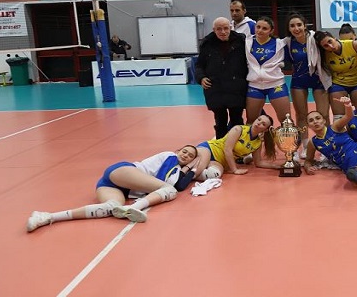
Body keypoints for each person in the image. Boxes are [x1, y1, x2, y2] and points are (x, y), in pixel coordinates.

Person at [26, 145, 202, 232]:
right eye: (184, 151)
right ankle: (135, 208)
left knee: (109, 208)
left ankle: (48, 216)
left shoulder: (177, 170)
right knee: (169, 190)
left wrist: (188, 169)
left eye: (190, 156)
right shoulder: (170, 156)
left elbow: (180, 185)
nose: (185, 155)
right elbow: (168, 184)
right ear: (178, 150)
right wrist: (188, 169)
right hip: (123, 172)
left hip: (119, 188)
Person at [283, 13, 331, 159]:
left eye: (299, 25)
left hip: (318, 79)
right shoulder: (288, 43)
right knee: (301, 115)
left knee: (323, 115)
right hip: (299, 80)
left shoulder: (315, 38)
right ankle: (304, 146)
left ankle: (327, 146)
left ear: (305, 26)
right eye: (292, 26)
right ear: (289, 28)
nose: (296, 28)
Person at [195, 17, 248, 138]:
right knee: (220, 122)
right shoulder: (206, 44)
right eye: (219, 29)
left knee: (237, 120)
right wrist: (201, 78)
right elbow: (199, 65)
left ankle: (238, 146)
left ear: (230, 28)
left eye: (225, 28)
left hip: (236, 88)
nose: (223, 32)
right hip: (215, 89)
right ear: (214, 30)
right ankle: (221, 146)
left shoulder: (241, 41)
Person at [314, 30, 357, 123]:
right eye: (326, 46)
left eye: (330, 41)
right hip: (338, 84)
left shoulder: (353, 45)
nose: (330, 46)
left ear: (335, 38)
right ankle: (341, 132)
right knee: (339, 118)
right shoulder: (324, 54)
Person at [196, 114, 278, 178]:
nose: (258, 123)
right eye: (259, 119)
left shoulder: (257, 143)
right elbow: (227, 150)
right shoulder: (239, 129)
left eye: (263, 124)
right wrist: (235, 170)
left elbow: (258, 162)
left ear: (265, 130)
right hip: (210, 149)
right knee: (197, 170)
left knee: (213, 175)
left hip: (220, 161)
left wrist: (276, 166)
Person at [245, 16, 292, 125]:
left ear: (271, 31)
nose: (260, 30)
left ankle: (289, 137)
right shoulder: (247, 42)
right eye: (258, 27)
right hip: (255, 85)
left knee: (286, 121)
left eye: (264, 28)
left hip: (276, 85)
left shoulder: (280, 44)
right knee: (251, 121)